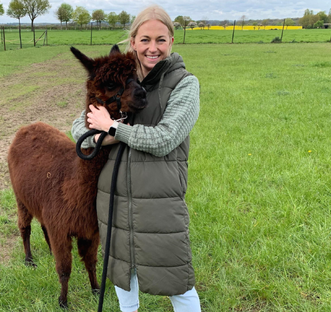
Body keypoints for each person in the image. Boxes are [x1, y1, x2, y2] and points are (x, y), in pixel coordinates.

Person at [72, 5, 201, 312]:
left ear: (171, 41)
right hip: (113, 196)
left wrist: (113, 129)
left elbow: (165, 138)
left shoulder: (184, 84)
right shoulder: (119, 77)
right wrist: (100, 132)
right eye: (145, 40)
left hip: (158, 199)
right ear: (133, 42)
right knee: (121, 276)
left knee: (176, 280)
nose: (152, 48)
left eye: (160, 40)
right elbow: (81, 125)